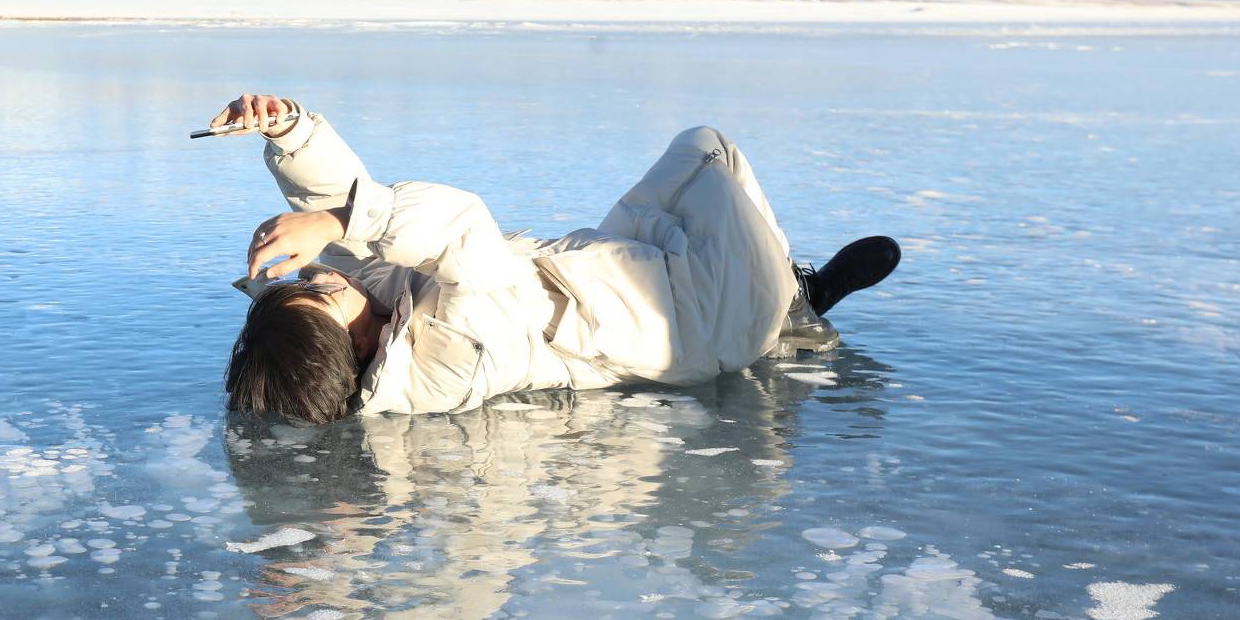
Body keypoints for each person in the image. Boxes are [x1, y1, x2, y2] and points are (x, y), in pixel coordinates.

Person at [216, 93, 899, 423]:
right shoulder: (445, 362)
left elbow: (351, 235)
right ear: (358, 342)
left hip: (608, 277)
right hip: (691, 326)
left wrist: (290, 131)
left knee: (681, 184)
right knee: (708, 152)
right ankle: (792, 300)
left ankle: (780, 289)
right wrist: (340, 218)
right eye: (325, 293)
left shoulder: (367, 331)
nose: (327, 275)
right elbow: (461, 230)